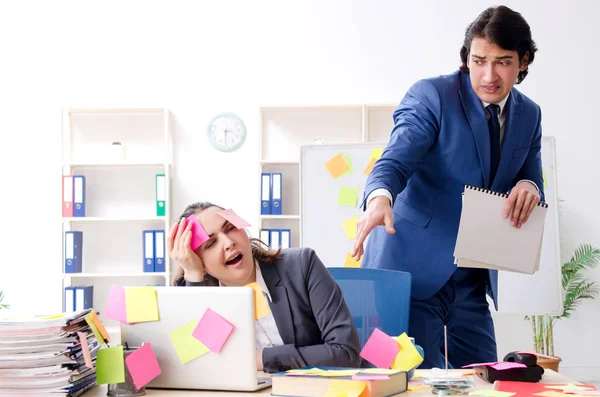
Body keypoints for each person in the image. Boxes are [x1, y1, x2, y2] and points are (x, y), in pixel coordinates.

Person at [351, 5, 544, 369]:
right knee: (409, 380)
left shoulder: (529, 114)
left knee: (488, 377)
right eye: (479, 60)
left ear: (523, 61)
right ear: (466, 57)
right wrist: (379, 197)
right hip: (410, 268)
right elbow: (396, 159)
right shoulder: (432, 96)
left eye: (502, 62)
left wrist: (530, 186)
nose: (488, 75)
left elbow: (531, 175)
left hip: (472, 275)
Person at [168, 201, 362, 373]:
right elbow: (195, 369)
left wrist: (261, 359)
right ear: (198, 261)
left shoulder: (302, 266)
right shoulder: (201, 295)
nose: (228, 243)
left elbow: (346, 354)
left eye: (230, 228)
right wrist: (193, 275)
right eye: (210, 243)